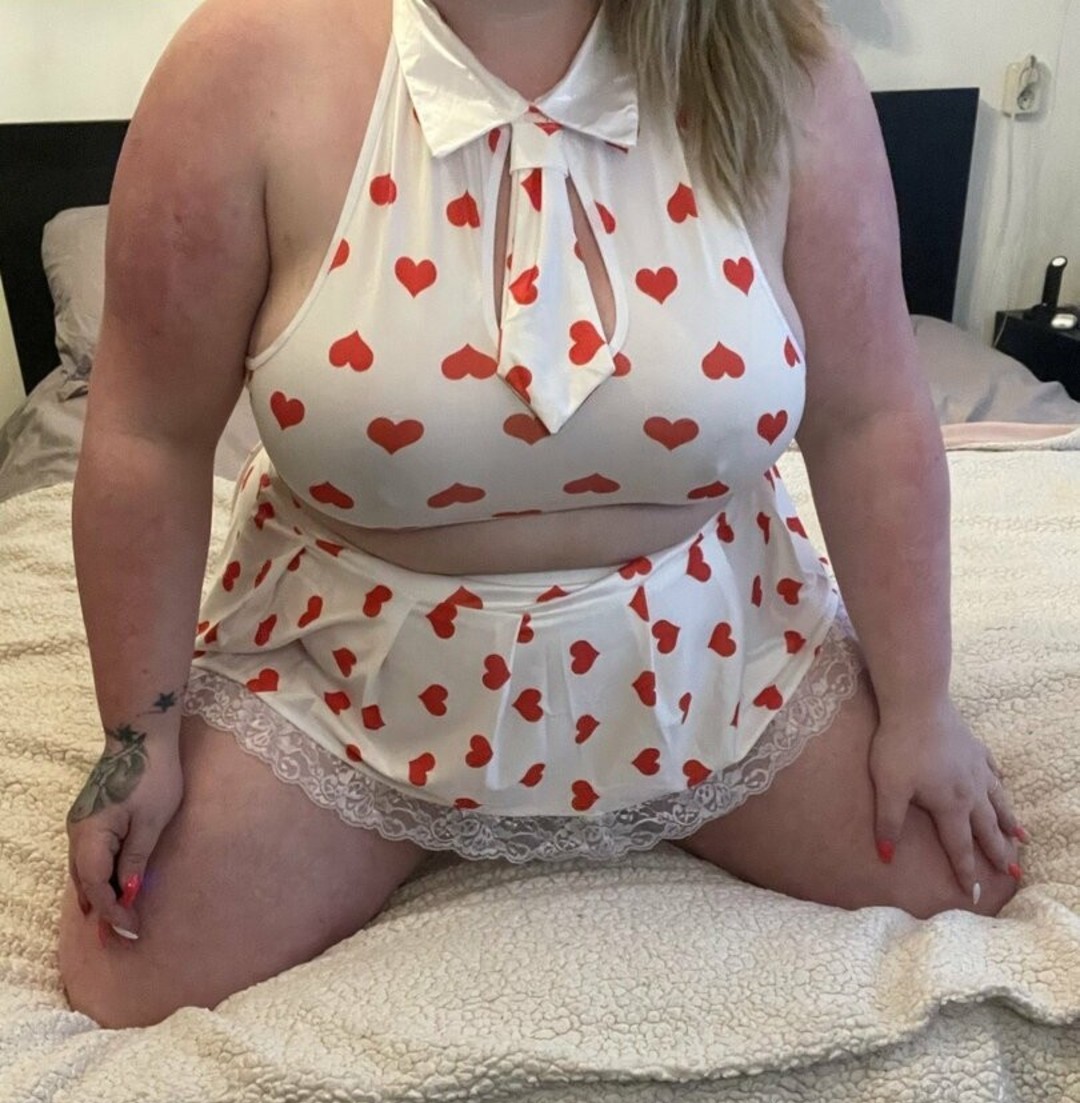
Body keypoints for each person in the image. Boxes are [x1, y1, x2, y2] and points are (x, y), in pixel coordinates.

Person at [58, 0, 1024, 1030]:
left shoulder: (782, 57)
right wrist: (137, 739)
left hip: (709, 653)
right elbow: (148, 438)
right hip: (352, 679)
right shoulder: (241, 65)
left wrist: (919, 711)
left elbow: (870, 416)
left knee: (964, 880)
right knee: (124, 968)